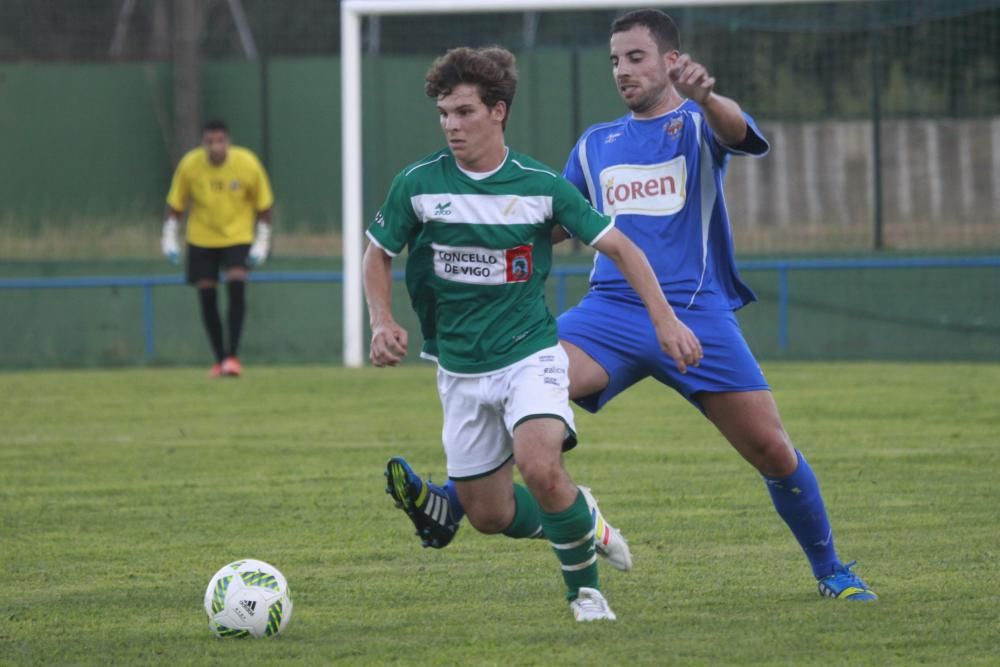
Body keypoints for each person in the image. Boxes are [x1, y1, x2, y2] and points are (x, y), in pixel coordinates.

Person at [387, 9, 877, 602]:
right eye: (615, 60)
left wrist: (710, 97)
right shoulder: (597, 144)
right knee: (518, 378)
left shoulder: (699, 122)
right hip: (609, 316)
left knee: (772, 449)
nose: (623, 70)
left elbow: (738, 132)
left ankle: (831, 571)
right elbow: (553, 223)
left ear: (672, 61)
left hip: (697, 314)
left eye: (636, 57)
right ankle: (453, 502)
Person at [364, 45, 702, 622]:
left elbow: (621, 246)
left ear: (498, 111)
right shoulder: (418, 185)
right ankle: (581, 516)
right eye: (444, 113)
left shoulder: (541, 186)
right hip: (459, 369)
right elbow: (378, 254)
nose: (452, 125)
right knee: (488, 515)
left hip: (530, 355)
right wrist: (382, 319)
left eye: (464, 112)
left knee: (541, 467)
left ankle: (586, 596)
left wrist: (664, 319)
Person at [161, 119, 274, 378]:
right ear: (203, 143)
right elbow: (176, 204)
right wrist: (169, 237)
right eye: (210, 142)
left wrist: (262, 241)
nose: (215, 147)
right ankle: (219, 358)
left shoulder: (247, 164)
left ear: (228, 141)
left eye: (220, 141)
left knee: (236, 283)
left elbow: (264, 205)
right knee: (207, 294)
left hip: (237, 235)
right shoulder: (190, 166)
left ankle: (233, 356)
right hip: (201, 237)